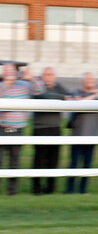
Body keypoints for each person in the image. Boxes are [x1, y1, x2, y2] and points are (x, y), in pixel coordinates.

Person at [0, 63, 45, 195]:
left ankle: (12, 191)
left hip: (18, 130)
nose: (8, 73)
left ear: (17, 73)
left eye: (11, 71)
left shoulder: (24, 86)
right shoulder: (1, 86)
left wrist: (32, 78)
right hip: (2, 128)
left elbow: (40, 91)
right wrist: (7, 85)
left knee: (14, 162)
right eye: (6, 71)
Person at [65, 72, 98, 195]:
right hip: (77, 136)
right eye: (88, 79)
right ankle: (69, 190)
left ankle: (83, 190)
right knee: (73, 164)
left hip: (92, 135)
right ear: (83, 81)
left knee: (87, 165)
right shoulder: (77, 92)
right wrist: (95, 95)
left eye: (92, 79)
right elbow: (77, 103)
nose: (90, 81)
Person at [31, 67, 71, 195]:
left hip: (55, 128)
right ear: (42, 77)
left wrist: (63, 97)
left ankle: (50, 189)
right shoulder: (37, 87)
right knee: (39, 160)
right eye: (46, 74)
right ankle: (37, 189)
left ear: (54, 77)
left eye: (51, 74)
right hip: (40, 128)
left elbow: (70, 97)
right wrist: (62, 98)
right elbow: (43, 96)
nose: (48, 77)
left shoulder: (59, 87)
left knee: (53, 160)